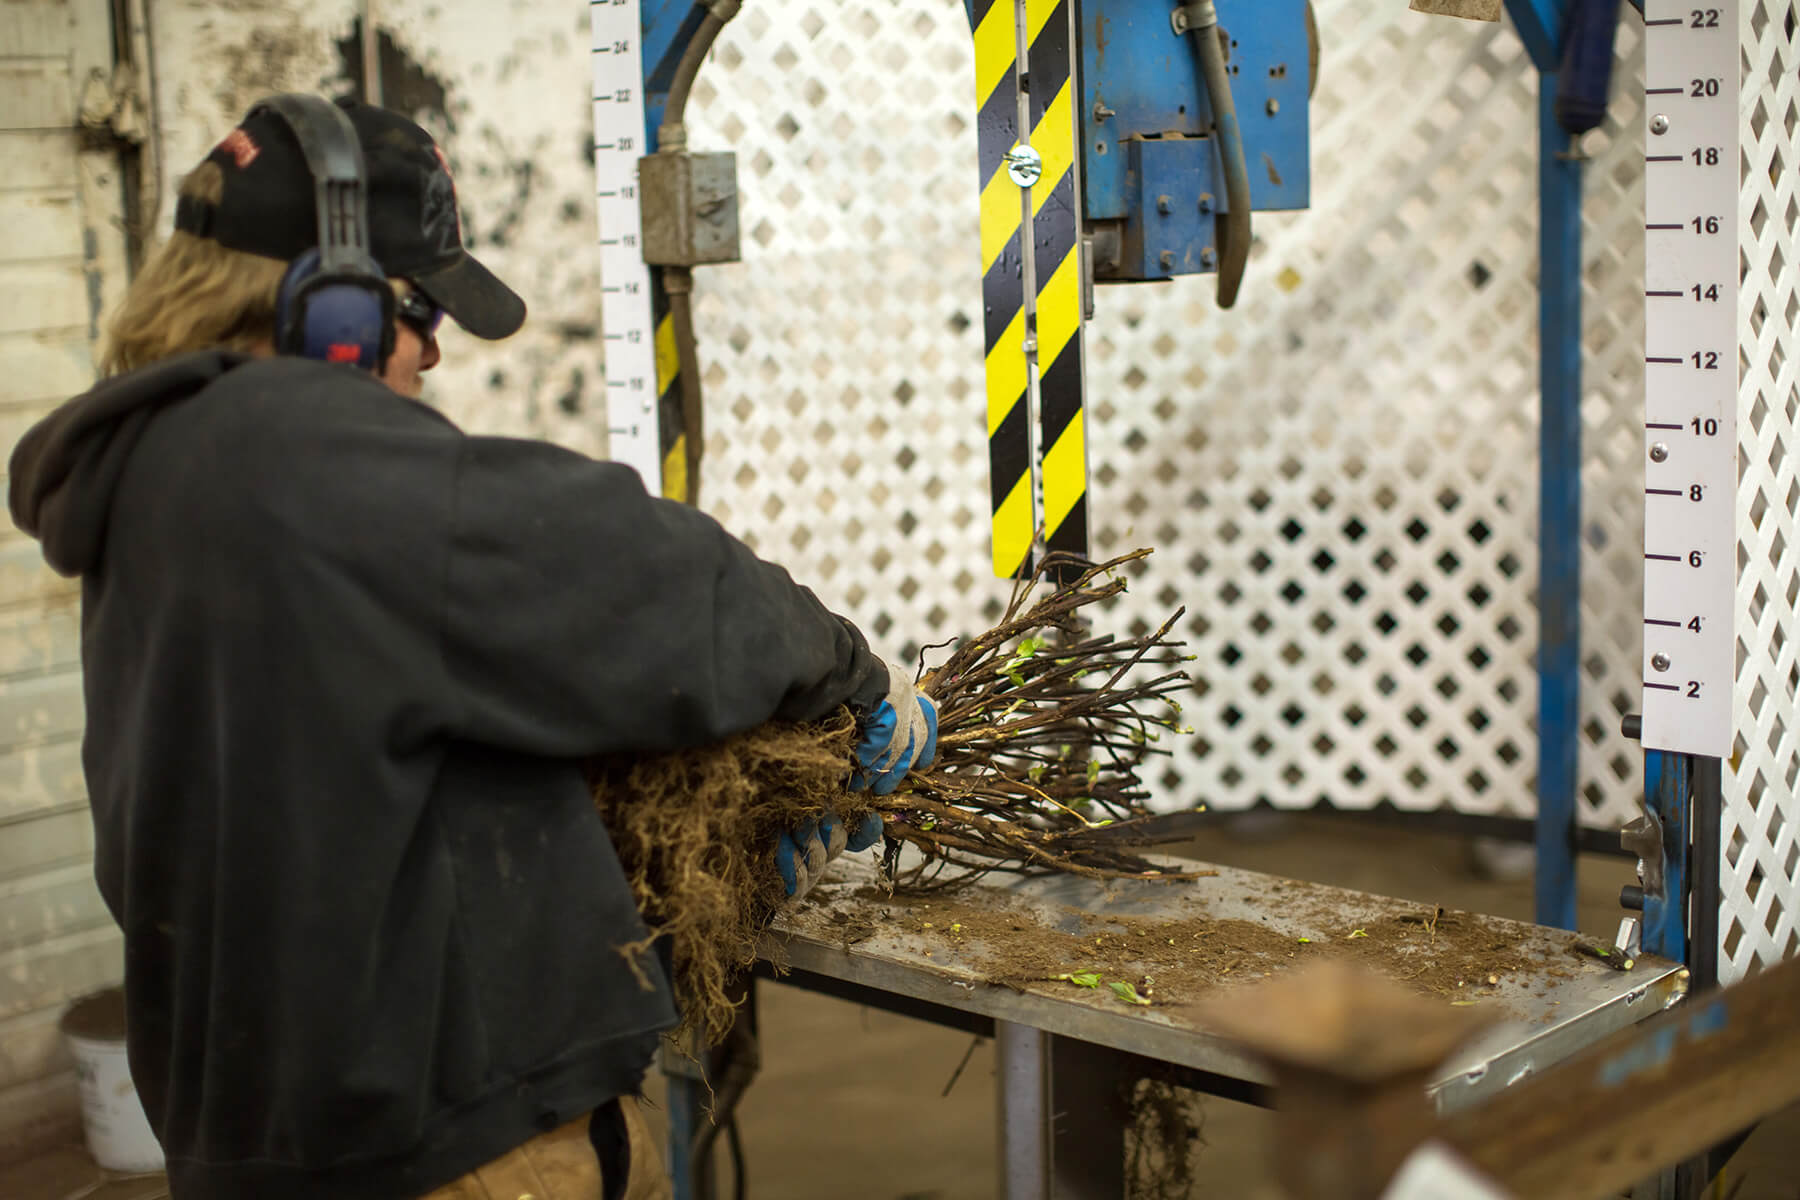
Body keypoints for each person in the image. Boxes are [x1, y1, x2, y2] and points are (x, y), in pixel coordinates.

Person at [7, 94, 936, 1200]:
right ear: (329, 312)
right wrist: (854, 681)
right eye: (419, 312)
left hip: (264, 1131)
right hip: (447, 1146)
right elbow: (645, 574)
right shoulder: (298, 451)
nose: (434, 355)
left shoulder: (159, 474)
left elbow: (346, 763)